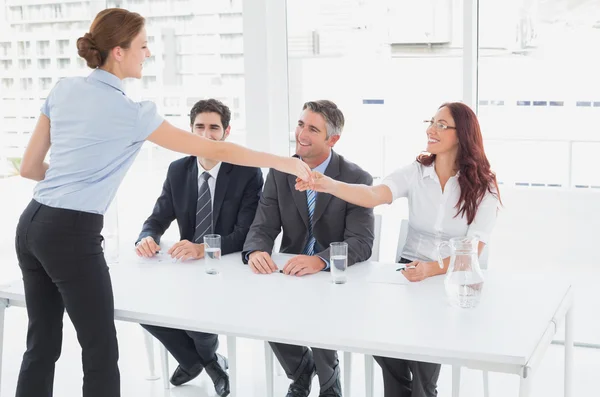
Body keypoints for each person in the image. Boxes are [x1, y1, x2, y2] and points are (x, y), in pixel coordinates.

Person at [15, 8, 310, 397]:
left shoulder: (64, 88)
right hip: (71, 234)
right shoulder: (133, 113)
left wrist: (71, 180)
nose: (148, 53)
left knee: (42, 344)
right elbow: (215, 147)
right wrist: (284, 162)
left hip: (32, 224)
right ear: (118, 52)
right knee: (100, 351)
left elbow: (31, 168)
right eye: (142, 45)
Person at [296, 102, 501, 397]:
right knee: (385, 346)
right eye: (431, 121)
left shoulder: (485, 185)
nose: (431, 129)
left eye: (442, 125)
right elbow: (372, 195)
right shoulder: (416, 172)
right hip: (408, 272)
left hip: (452, 278)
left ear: (463, 134)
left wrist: (432, 269)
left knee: (424, 365)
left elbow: (474, 247)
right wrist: (328, 185)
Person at [242, 100, 375, 397]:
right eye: (301, 124)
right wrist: (256, 251)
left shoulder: (356, 179)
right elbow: (263, 225)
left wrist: (320, 262)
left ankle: (329, 382)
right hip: (290, 270)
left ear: (333, 139)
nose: (301, 133)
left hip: (336, 275)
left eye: (313, 129)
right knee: (262, 303)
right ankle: (302, 370)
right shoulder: (280, 171)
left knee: (320, 308)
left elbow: (361, 242)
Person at [135, 98, 263, 396]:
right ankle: (204, 361)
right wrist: (147, 236)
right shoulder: (178, 170)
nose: (206, 135)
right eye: (199, 127)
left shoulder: (246, 172)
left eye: (214, 128)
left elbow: (246, 233)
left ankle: (198, 361)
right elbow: (157, 217)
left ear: (226, 132)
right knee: (138, 303)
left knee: (196, 305)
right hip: (187, 267)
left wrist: (202, 248)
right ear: (190, 130)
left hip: (228, 266)